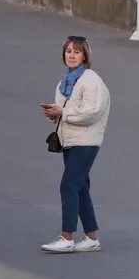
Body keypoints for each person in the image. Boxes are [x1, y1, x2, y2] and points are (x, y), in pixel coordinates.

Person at [39, 34, 111, 253]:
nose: (71, 55)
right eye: (68, 51)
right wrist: (54, 114)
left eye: (76, 51)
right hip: (70, 140)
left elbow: (91, 112)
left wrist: (63, 111)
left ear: (85, 55)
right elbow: (70, 111)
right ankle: (91, 238)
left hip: (87, 141)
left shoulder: (92, 81)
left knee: (68, 185)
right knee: (80, 188)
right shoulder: (64, 82)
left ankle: (67, 237)